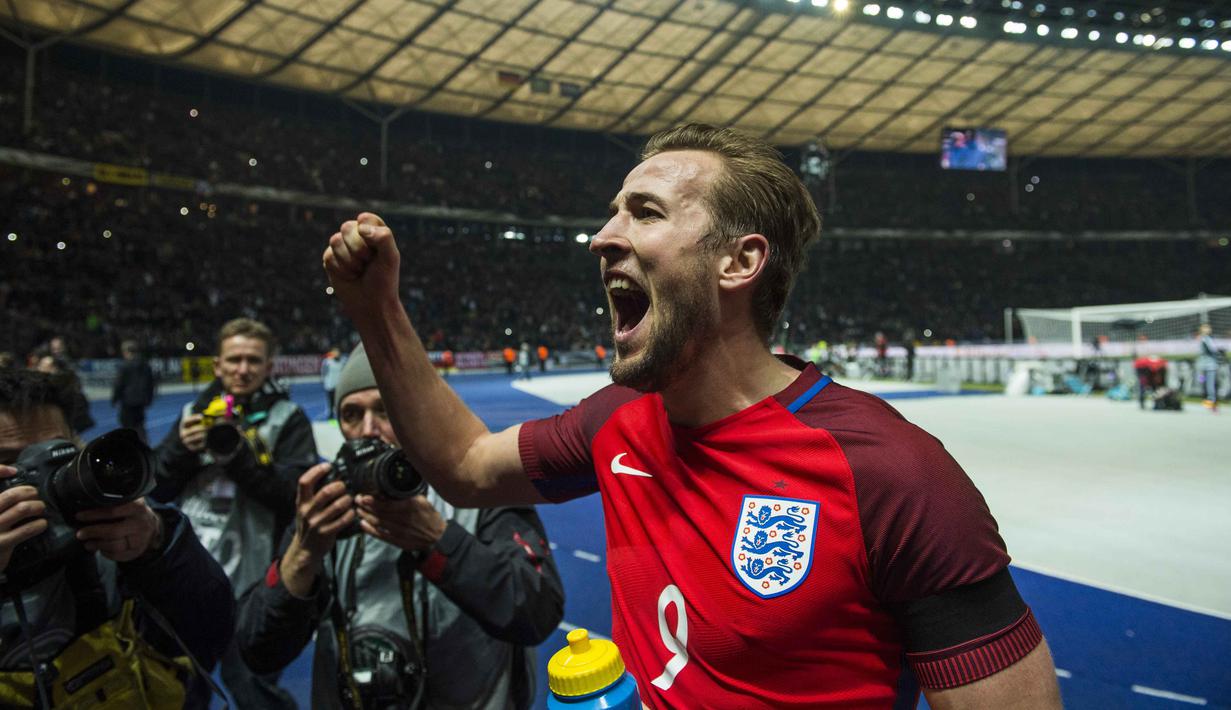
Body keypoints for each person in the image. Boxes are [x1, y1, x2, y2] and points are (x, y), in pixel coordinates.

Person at [321, 123, 1062, 709]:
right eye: (613, 212)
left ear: (738, 262)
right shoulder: (618, 419)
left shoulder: (892, 474)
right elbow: (464, 468)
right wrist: (376, 311)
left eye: (642, 213)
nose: (602, 236)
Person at [236, 344, 564, 709]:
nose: (368, 430)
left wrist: (439, 543)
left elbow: (537, 611)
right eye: (351, 414)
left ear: (417, 412)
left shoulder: (479, 491)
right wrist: (302, 555)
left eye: (385, 409)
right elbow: (258, 651)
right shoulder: (328, 510)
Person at [0, 369, 234, 708]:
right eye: (11, 464)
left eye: (52, 455)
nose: (40, 483)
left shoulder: (115, 524)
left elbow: (212, 634)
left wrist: (158, 545)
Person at [152, 317, 316, 709]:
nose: (243, 369)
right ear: (218, 365)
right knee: (180, 689)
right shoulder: (194, 411)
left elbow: (295, 496)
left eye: (253, 361)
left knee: (253, 687)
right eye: (235, 359)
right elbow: (157, 489)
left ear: (269, 366)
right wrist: (180, 450)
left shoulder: (286, 417)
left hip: (255, 580)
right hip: (193, 574)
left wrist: (240, 456)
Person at [111, 339, 157, 443]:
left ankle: (130, 449)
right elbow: (151, 384)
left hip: (128, 402)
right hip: (140, 402)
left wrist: (114, 399)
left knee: (127, 428)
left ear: (126, 351)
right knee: (140, 426)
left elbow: (119, 384)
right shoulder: (145, 365)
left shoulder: (125, 366)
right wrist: (149, 399)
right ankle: (144, 448)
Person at [1196, 323, 1225, 411]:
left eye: (1208, 327)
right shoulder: (1205, 339)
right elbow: (1213, 349)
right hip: (1208, 365)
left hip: (1206, 365)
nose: (1208, 329)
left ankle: (1209, 401)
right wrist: (1220, 351)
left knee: (1207, 383)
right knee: (1207, 383)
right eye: (1205, 328)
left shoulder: (1204, 338)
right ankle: (1210, 401)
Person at [320, 347, 347, 418]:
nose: (336, 353)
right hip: (330, 385)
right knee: (331, 403)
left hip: (339, 385)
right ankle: (330, 417)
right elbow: (323, 372)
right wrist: (323, 381)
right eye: (334, 352)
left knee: (339, 402)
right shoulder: (327, 362)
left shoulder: (343, 361)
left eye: (337, 352)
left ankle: (340, 416)